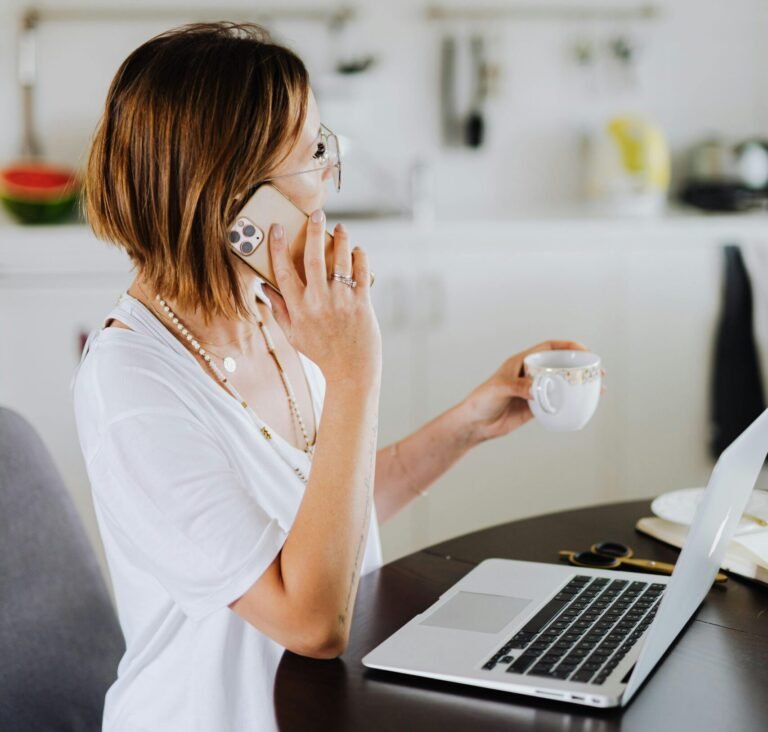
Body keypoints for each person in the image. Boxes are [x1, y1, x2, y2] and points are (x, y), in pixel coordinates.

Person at [72, 21, 590, 732]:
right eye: (313, 153)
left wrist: (468, 423)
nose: (327, 178)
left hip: (322, 710)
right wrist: (354, 373)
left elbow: (318, 519)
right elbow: (310, 619)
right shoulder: (133, 388)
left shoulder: (265, 310)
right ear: (234, 199)